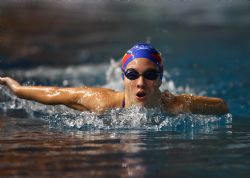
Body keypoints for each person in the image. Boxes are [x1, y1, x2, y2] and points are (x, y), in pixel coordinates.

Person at [0, 43, 228, 115]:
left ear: (159, 79)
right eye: (132, 74)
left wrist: (181, 102)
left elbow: (222, 106)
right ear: (123, 78)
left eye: (150, 75)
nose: (141, 83)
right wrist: (17, 89)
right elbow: (57, 94)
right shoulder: (102, 102)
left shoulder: (175, 104)